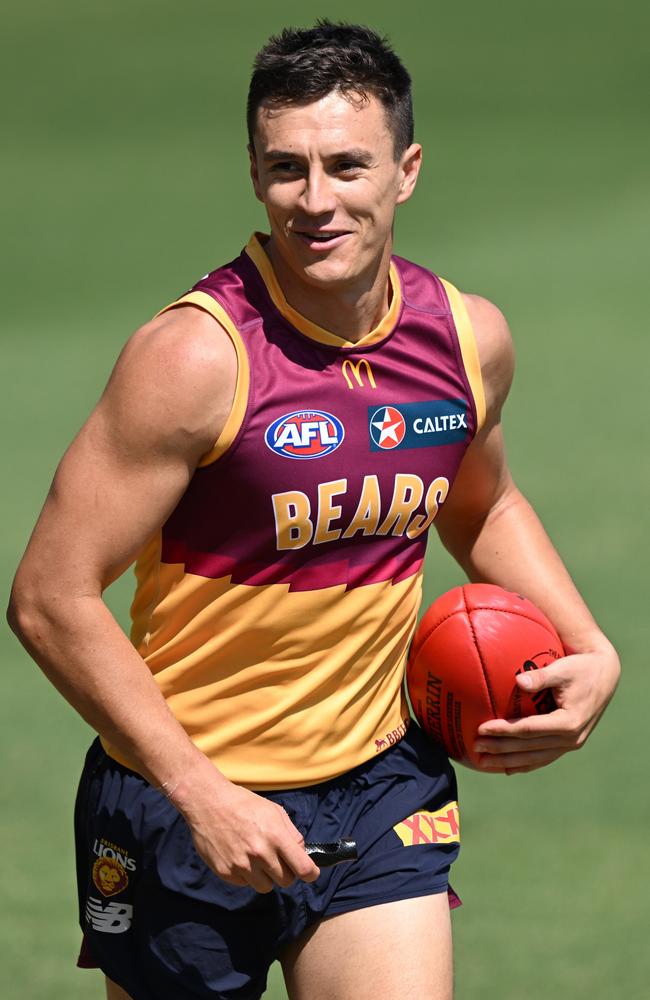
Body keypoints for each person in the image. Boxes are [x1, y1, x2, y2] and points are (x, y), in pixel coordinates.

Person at [8, 20, 619, 1000]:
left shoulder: (465, 340)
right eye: (285, 168)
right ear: (253, 173)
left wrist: (590, 644)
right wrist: (202, 794)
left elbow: (482, 498)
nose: (315, 199)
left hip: (380, 784)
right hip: (182, 798)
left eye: (345, 166)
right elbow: (48, 596)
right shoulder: (196, 359)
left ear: (405, 170)